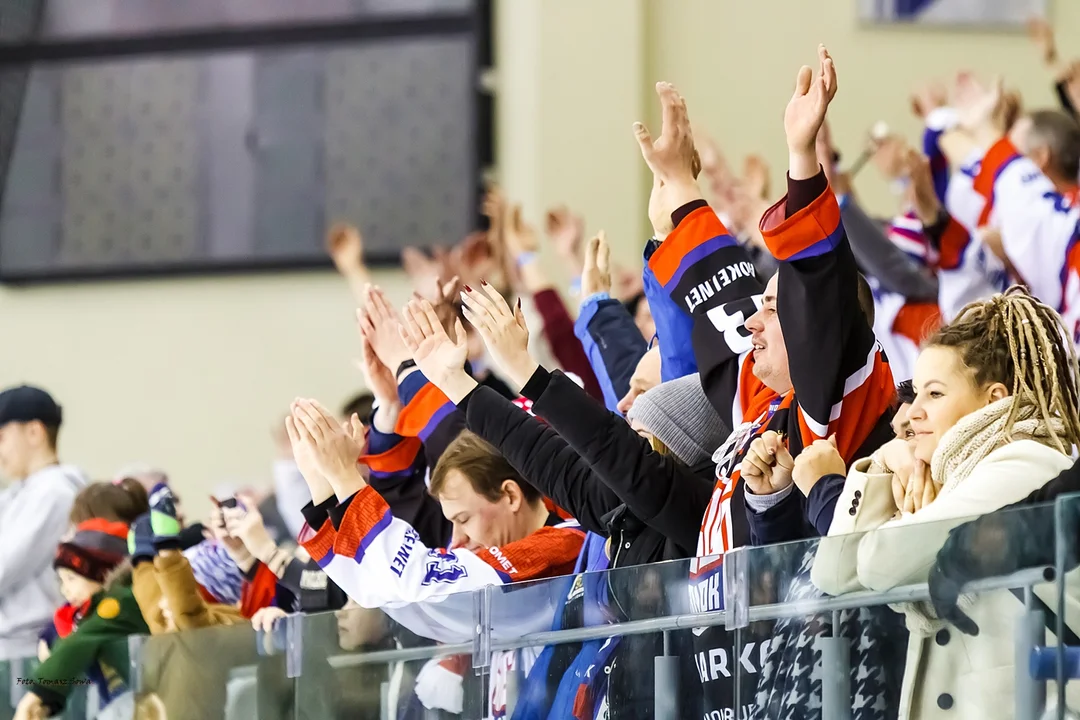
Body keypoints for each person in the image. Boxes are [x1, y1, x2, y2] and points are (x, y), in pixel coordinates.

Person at [809, 287, 1080, 719]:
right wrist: (882, 461)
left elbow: (878, 566)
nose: (913, 412)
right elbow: (835, 573)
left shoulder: (1026, 460)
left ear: (995, 400)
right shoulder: (945, 480)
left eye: (934, 394)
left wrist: (907, 511)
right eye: (914, 394)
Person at [286, 399, 584, 718]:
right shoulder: (509, 548)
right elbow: (381, 591)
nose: (457, 539)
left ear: (510, 495)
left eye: (465, 518)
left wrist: (347, 478)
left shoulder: (563, 544)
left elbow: (413, 580)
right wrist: (324, 489)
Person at [15, 520, 148, 720]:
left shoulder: (121, 602)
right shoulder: (87, 609)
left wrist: (39, 694)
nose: (64, 589)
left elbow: (83, 638)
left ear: (103, 575)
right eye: (61, 580)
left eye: (72, 579)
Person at [0, 385, 88, 662]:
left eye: (1, 437)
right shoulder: (21, 493)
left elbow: (4, 566)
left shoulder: (53, 493)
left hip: (27, 650)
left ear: (35, 432)